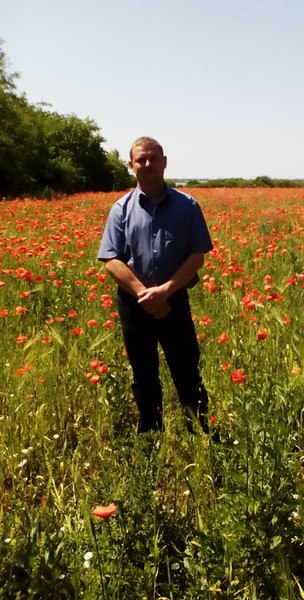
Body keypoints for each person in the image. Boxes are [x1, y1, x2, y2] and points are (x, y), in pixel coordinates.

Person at [98, 136, 213, 434]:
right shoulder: (120, 209)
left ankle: (199, 433)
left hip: (174, 301)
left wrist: (164, 291)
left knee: (187, 371)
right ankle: (150, 438)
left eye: (153, 158)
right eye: (141, 159)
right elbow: (111, 260)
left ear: (164, 162)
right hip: (134, 305)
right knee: (144, 375)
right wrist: (144, 293)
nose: (147, 164)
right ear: (131, 165)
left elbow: (196, 255)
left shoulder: (187, 206)